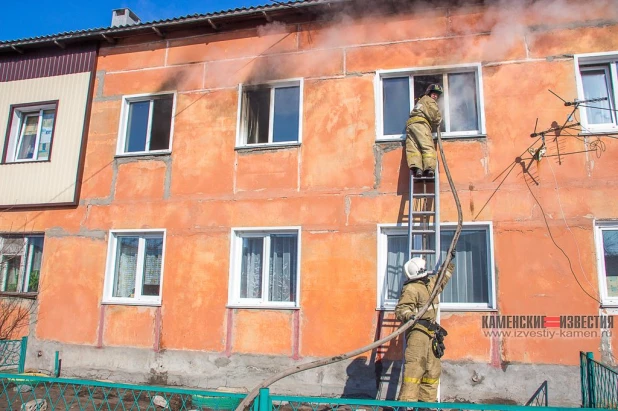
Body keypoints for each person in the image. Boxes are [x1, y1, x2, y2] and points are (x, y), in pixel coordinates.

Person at [395, 256, 455, 403]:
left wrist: (449, 262)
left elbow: (442, 279)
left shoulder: (429, 285)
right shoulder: (411, 288)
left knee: (432, 371)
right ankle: (406, 404)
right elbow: (401, 309)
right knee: (414, 369)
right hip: (418, 333)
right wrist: (410, 315)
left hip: (432, 334)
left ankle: (426, 403)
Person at [405, 84, 443, 179]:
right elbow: (434, 113)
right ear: (429, 93)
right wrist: (439, 120)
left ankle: (417, 169)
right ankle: (429, 168)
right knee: (427, 145)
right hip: (421, 124)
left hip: (411, 125)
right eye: (434, 94)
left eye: (437, 95)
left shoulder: (420, 101)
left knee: (414, 148)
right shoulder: (429, 100)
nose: (435, 96)